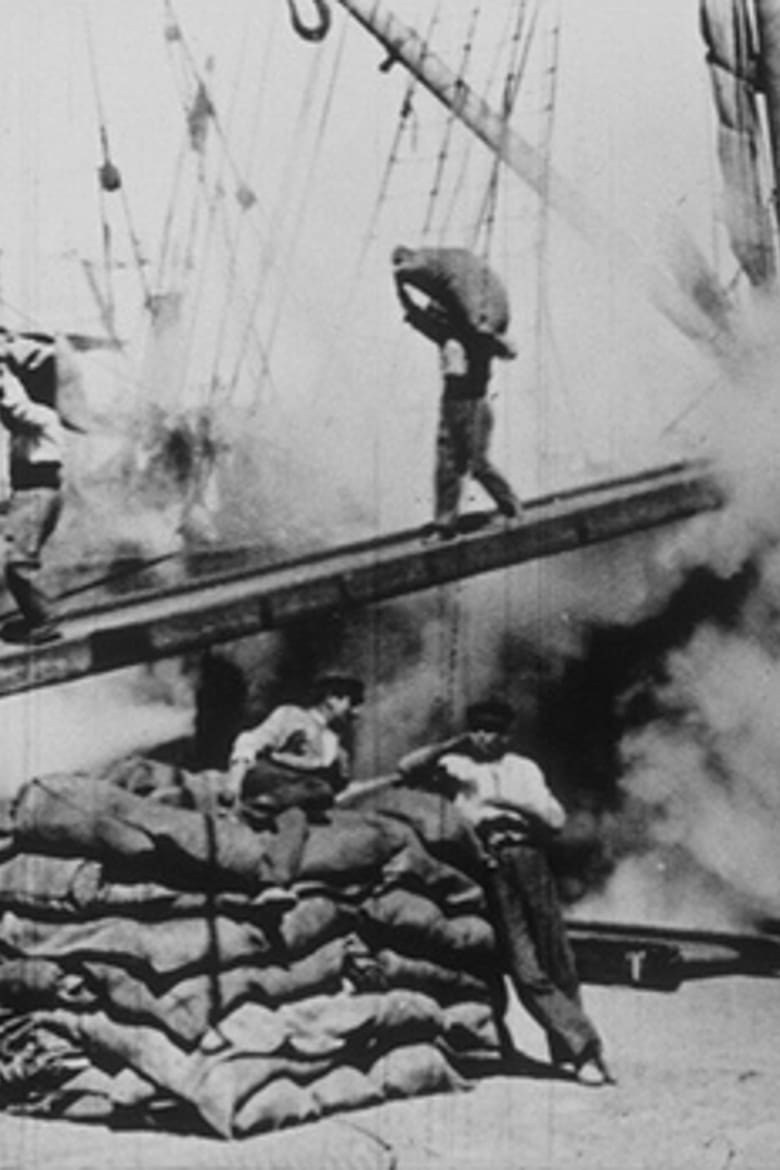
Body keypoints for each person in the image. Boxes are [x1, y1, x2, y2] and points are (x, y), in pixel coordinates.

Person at [398, 698, 615, 1087]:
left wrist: (506, 801)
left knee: (558, 961)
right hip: (490, 862)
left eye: (493, 731)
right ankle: (585, 1048)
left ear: (507, 735)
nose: (484, 737)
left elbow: (554, 818)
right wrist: (452, 745)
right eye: (478, 729)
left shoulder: (523, 768)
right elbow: (407, 767)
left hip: (530, 858)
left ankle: (571, 1053)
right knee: (525, 966)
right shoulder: (457, 766)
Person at [392, 246, 523, 540]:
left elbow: (508, 349)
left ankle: (511, 506)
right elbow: (415, 316)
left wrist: (488, 336)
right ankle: (444, 523)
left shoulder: (476, 335)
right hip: (452, 404)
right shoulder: (448, 336)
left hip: (474, 404)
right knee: (447, 465)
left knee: (477, 463)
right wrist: (401, 290)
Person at [0, 328, 84, 644]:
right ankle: (37, 616)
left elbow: (15, 406)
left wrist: (2, 372)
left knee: (18, 565)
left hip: (36, 495)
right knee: (16, 561)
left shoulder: (44, 416)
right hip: (31, 494)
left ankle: (44, 620)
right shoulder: (28, 426)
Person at [228, 674, 365, 807]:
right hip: (267, 776)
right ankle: (263, 805)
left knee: (322, 789)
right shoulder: (291, 715)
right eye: (353, 703)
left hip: (297, 787)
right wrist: (234, 783)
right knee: (317, 787)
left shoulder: (333, 740)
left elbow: (330, 788)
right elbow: (250, 741)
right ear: (331, 699)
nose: (356, 713)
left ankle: (267, 805)